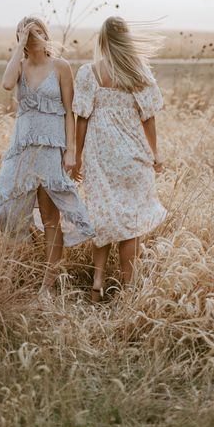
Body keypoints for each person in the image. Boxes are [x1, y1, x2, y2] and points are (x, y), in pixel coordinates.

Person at [0, 17, 94, 291]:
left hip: (51, 148)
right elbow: (6, 84)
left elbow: (70, 112)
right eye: (25, 32)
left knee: (50, 217)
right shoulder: (20, 67)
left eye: (37, 30)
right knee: (6, 211)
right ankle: (34, 258)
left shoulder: (60, 67)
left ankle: (49, 282)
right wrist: (19, 47)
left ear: (45, 34)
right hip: (23, 148)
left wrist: (71, 151)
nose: (32, 35)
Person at [72, 16, 167, 302]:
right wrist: (154, 154)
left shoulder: (90, 73)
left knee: (101, 216)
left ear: (102, 40)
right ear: (126, 39)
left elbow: (82, 118)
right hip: (132, 154)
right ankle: (129, 289)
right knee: (130, 224)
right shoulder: (138, 73)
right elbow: (148, 118)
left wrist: (76, 157)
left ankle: (97, 283)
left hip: (99, 154)